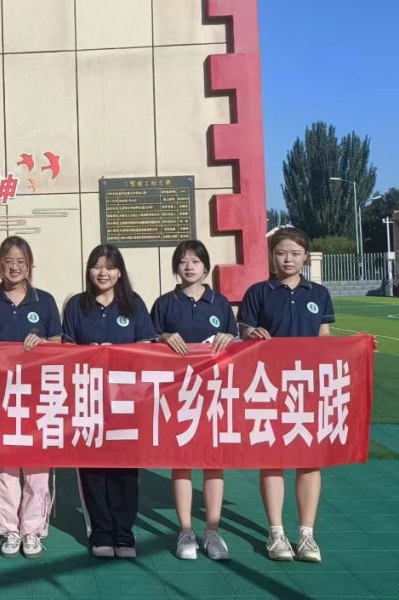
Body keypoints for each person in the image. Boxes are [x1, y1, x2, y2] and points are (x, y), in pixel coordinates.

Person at [238, 227, 333, 563]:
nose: (288, 259)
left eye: (295, 253)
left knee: (309, 460)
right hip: (268, 386)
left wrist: (359, 348)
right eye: (281, 253)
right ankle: (276, 532)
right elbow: (243, 331)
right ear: (271, 256)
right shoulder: (258, 292)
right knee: (273, 458)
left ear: (305, 256)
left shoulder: (319, 293)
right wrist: (251, 333)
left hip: (309, 387)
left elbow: (325, 338)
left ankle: (306, 535)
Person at [0, 236, 62, 559]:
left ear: (30, 266)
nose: (14, 267)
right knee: (4, 465)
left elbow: (59, 343)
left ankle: (32, 530)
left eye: (21, 261)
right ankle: (9, 528)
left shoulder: (45, 301)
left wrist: (44, 343)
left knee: (37, 465)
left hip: (38, 394)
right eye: (8, 261)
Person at [62, 244, 156, 559]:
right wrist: (89, 354)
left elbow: (147, 347)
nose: (103, 273)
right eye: (97, 266)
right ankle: (100, 532)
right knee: (92, 468)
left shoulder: (134, 304)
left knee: (125, 468)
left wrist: (117, 355)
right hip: (88, 397)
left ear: (119, 272)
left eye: (110, 267)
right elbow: (65, 349)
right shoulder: (76, 305)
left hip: (126, 401)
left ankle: (124, 535)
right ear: (89, 270)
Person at [150, 240, 238, 561]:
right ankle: (185, 530)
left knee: (214, 462)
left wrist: (232, 338)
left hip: (215, 393)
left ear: (205, 267)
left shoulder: (220, 303)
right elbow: (146, 345)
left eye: (196, 261)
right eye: (183, 261)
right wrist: (162, 338)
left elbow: (238, 346)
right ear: (176, 266)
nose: (189, 266)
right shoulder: (164, 303)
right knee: (183, 460)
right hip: (179, 394)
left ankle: (212, 531)